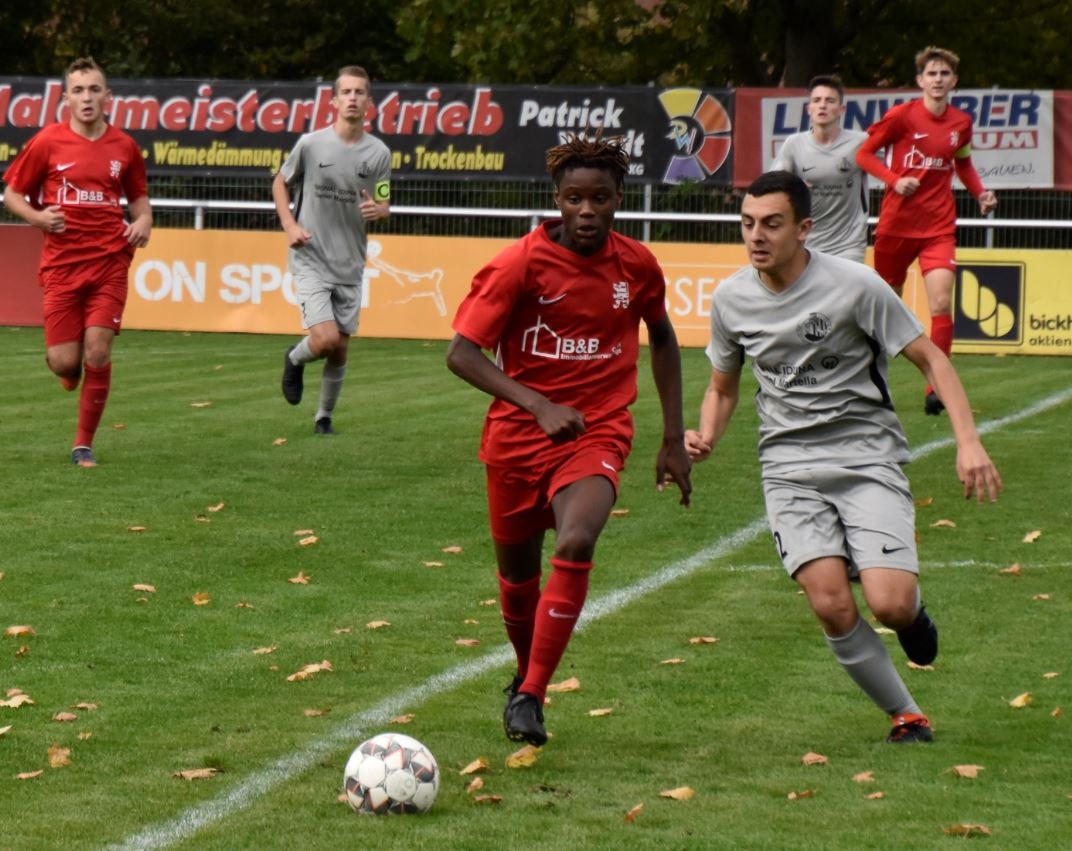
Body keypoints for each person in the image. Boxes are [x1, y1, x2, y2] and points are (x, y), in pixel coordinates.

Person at [686, 171, 1002, 744]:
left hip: (866, 457)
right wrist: (706, 434)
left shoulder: (856, 286)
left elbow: (931, 359)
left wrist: (969, 442)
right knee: (831, 605)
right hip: (787, 467)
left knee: (890, 605)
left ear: (804, 229)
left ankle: (911, 614)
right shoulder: (731, 298)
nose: (756, 236)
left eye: (772, 224)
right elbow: (722, 388)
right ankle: (906, 715)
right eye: (748, 223)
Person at [447, 134, 693, 747]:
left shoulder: (636, 265)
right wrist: (537, 403)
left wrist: (672, 437)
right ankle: (525, 676)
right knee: (517, 585)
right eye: (575, 199)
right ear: (557, 199)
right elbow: (461, 353)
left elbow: (663, 338)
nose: (587, 211)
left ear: (619, 199)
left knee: (578, 538)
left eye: (600, 198)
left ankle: (532, 692)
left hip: (597, 429)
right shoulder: (518, 264)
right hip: (516, 440)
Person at [2, 56, 152, 468]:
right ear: (66, 98)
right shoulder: (48, 141)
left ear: (108, 96)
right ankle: (67, 371)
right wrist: (38, 217)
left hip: (109, 261)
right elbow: (12, 195)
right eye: (79, 90)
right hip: (62, 265)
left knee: (97, 351)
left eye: (94, 89)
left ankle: (83, 445)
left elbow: (139, 200)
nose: (87, 98)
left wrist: (144, 221)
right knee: (65, 362)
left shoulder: (125, 147)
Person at [856, 46, 997, 416]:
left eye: (944, 74)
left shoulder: (961, 123)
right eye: (932, 74)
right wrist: (894, 180)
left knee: (940, 303)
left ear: (954, 81)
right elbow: (864, 154)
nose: (938, 79)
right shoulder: (901, 116)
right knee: (885, 306)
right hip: (897, 225)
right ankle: (869, 379)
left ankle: (936, 389)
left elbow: (963, 164)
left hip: (938, 227)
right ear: (920, 80)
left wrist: (981, 193)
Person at [275, 65, 391, 434]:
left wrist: (380, 210)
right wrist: (290, 225)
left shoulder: (379, 153)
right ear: (334, 101)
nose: (353, 98)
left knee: (339, 348)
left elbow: (384, 200)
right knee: (325, 339)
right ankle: (295, 359)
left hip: (350, 262)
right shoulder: (311, 144)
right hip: (311, 256)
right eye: (346, 92)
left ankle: (323, 418)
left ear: (369, 103)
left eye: (360, 92)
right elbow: (280, 181)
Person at [771, 74, 869, 262]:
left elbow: (895, 163)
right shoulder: (794, 144)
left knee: (846, 283)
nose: (822, 105)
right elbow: (773, 187)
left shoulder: (861, 142)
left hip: (848, 245)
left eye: (830, 101)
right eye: (816, 100)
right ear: (809, 109)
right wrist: (794, 186)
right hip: (805, 243)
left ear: (841, 109)